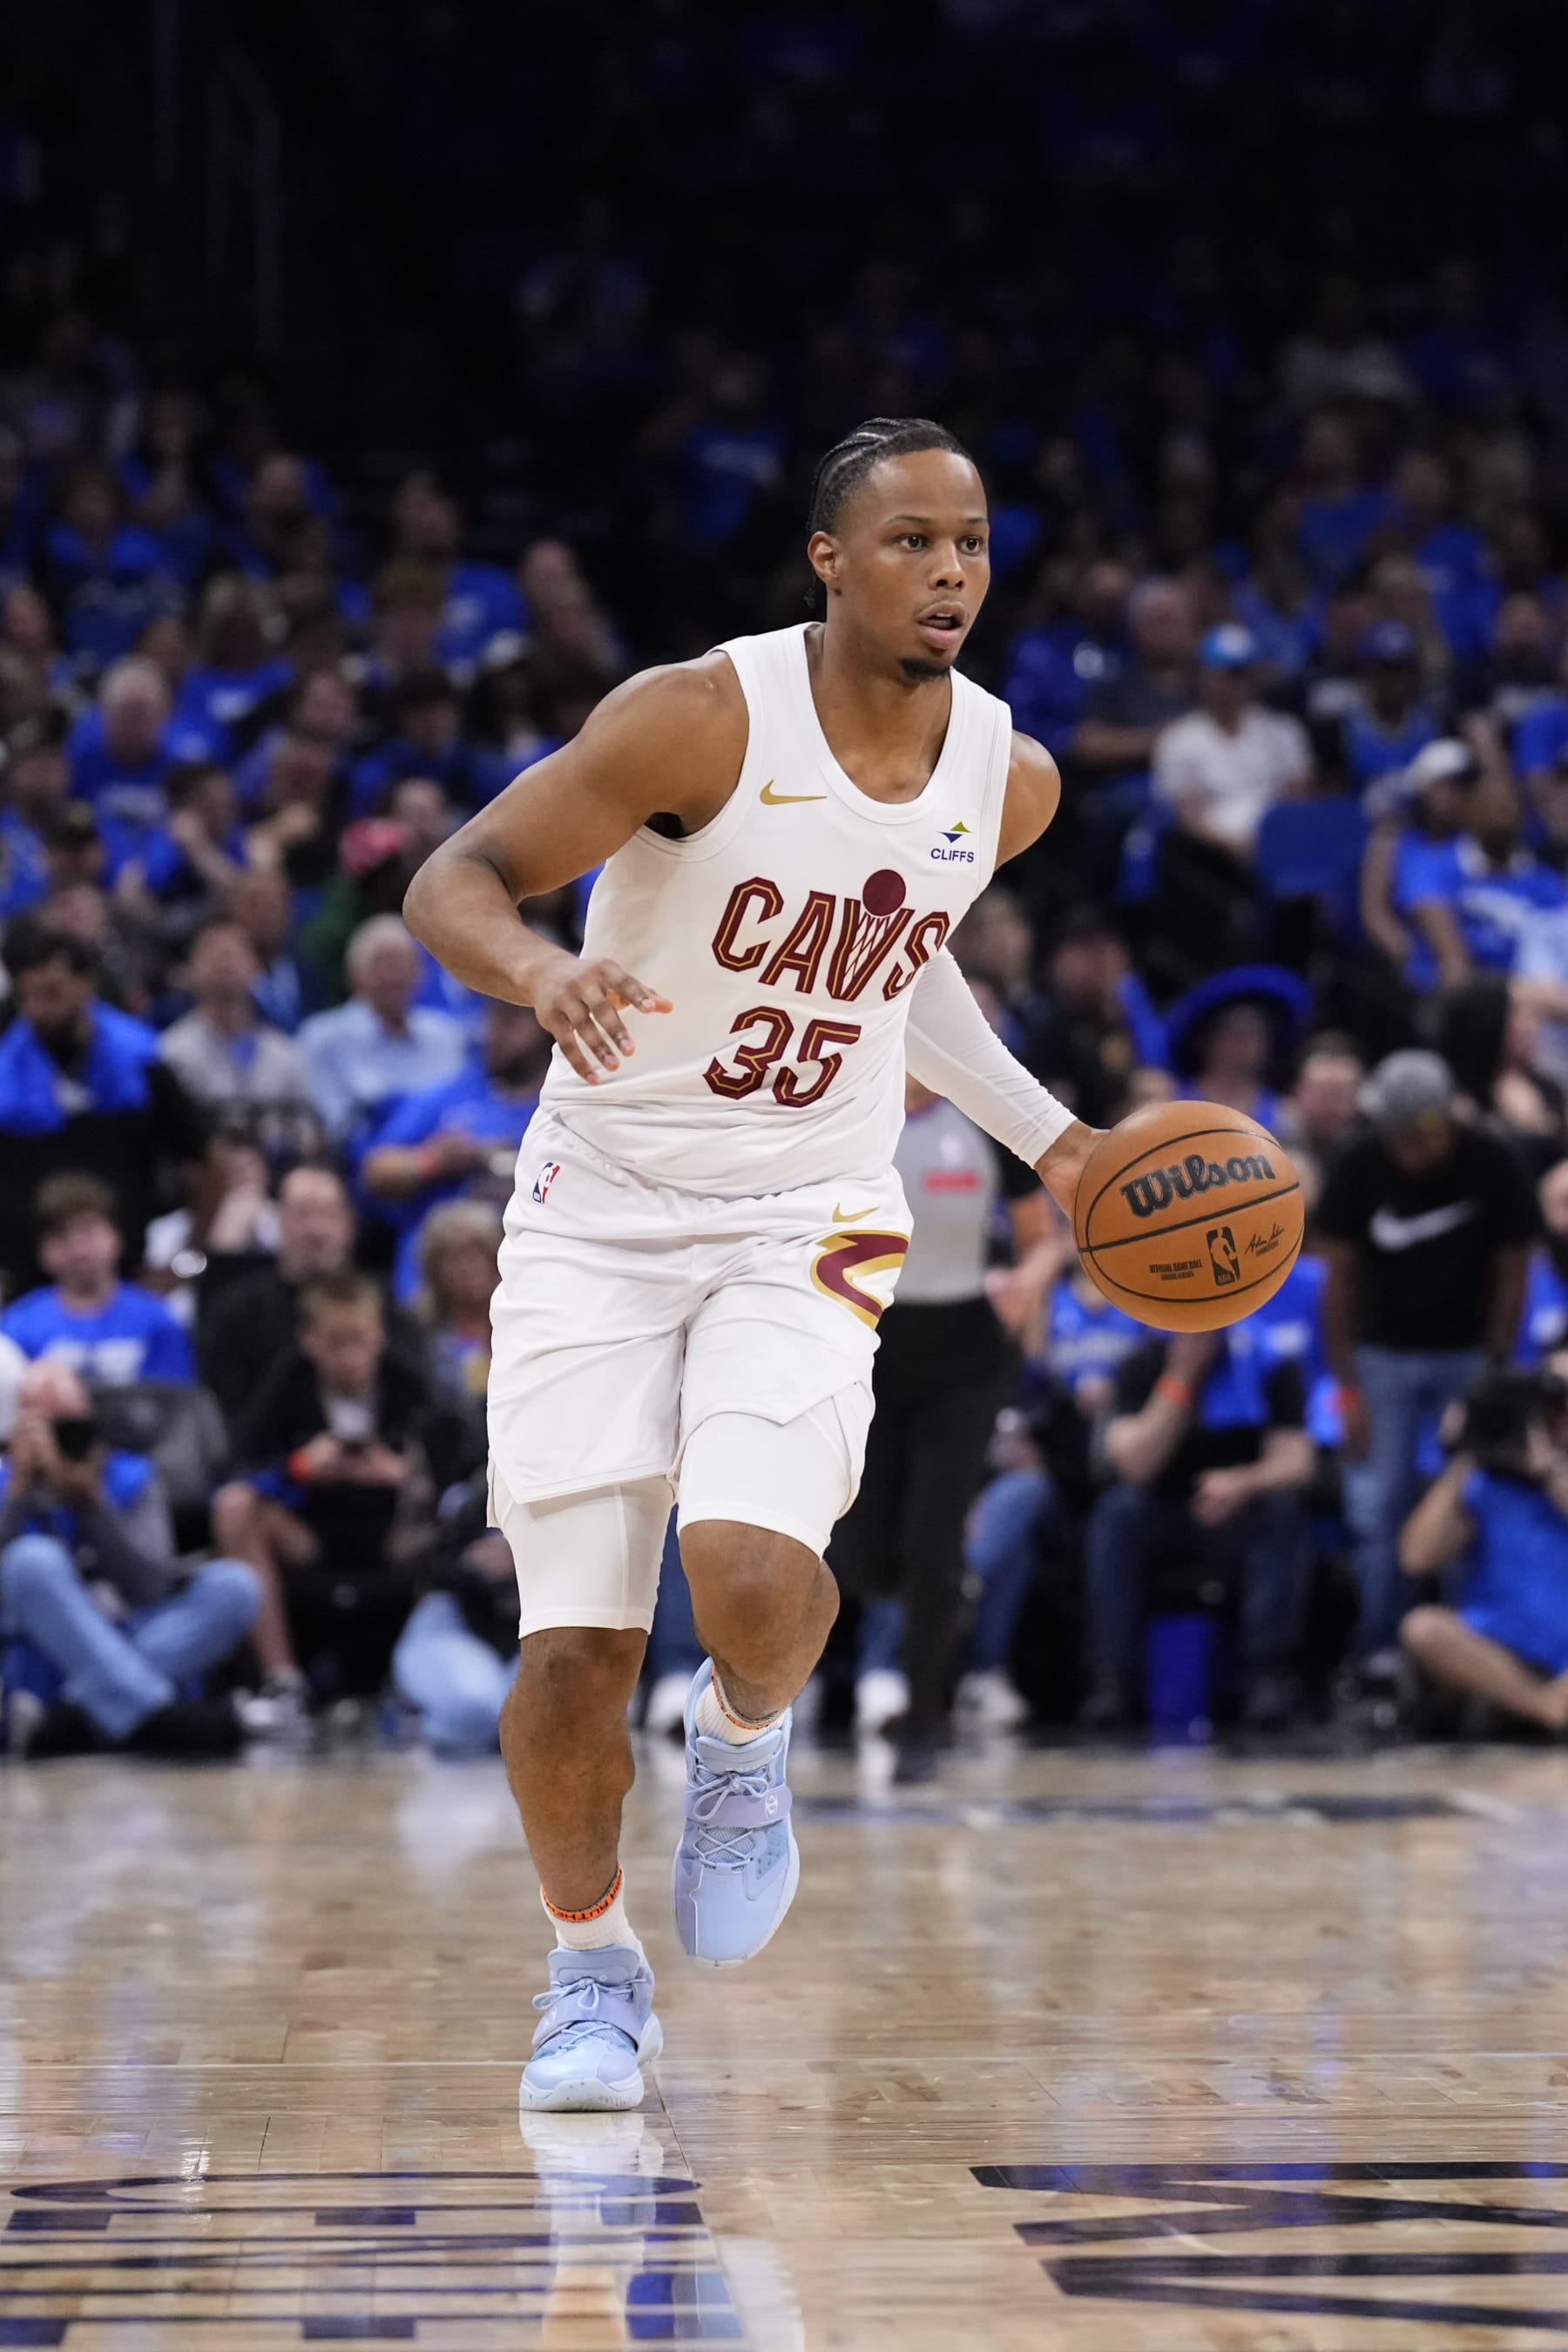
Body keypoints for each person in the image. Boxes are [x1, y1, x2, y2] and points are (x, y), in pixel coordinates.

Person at [402, 416, 1096, 2112]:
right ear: (831, 562)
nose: (951, 572)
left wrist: (1059, 1144)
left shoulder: (1006, 777)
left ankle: (745, 1739)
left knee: (752, 1571)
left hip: (808, 1210)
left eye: (975, 542)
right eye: (915, 542)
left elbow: (901, 971)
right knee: (573, 1649)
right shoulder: (696, 716)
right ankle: (590, 1972)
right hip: (600, 1212)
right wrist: (537, 976)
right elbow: (454, 879)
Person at [829, 1066, 1057, 1780]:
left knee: (933, 1545)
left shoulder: (987, 1120)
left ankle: (925, 1717)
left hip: (965, 1352)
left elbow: (1042, 1236)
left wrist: (1029, 1284)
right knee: (860, 1557)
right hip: (866, 1343)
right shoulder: (847, 1109)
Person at [1318, 1050, 1537, 1672]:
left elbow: (1513, 1271)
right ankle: (1380, 1650)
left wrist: (1494, 1371)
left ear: (1444, 1124)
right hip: (1382, 1355)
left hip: (1466, 1354)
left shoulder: (1492, 1161)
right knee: (1383, 1502)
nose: (1407, 1151)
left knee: (1472, 1496)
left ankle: (1477, 1647)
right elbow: (1339, 1284)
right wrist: (1348, 1390)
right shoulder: (1360, 1166)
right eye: (1397, 1137)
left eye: (1417, 1137)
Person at [213, 1270, 474, 1707]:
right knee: (234, 1507)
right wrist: (298, 1466)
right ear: (308, 1340)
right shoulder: (287, 1382)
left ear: (380, 1337)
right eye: (336, 1344)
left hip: (395, 1535)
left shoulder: (410, 1386)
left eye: (361, 1341)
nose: (351, 1358)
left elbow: (462, 1471)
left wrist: (404, 1475)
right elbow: (234, 1465)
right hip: (311, 1532)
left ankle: (421, 1678)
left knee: (449, 1516)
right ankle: (282, 1679)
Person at [0, 1358, 259, 1758]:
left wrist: (93, 1506)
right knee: (31, 1560)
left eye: (68, 1427)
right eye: (42, 1427)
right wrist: (17, 1499)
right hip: (44, 1644)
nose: (56, 1442)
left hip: (135, 1628)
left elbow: (152, 1583)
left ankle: (71, 1720)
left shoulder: (131, 1476)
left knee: (236, 1586)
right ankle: (162, 1720)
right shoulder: (4, 1483)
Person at [1080, 1322, 1315, 1732]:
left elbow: (1298, 1463)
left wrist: (1243, 1482)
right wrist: (1181, 1377)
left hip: (1239, 1515)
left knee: (1283, 1515)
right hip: (1162, 1512)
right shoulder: (1142, 1365)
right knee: (1116, 1515)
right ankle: (1113, 1681)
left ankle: (1266, 1679)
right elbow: (1135, 1465)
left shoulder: (1269, 1362)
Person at [0, 923, 208, 1294]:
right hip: (25, 1288)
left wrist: (187, 1260)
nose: (39, 1010)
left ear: (86, 984)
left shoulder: (142, 1063)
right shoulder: (5, 1069)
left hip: (130, 1282)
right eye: (27, 997)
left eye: (52, 993)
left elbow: (203, 1165)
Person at [1400, 1369, 1568, 1732]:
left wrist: (1549, 1469)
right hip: (1502, 1646)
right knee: (1423, 1627)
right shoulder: (1481, 1483)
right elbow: (1417, 1558)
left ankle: (1521, 1711)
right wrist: (1463, 1456)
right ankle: (1544, 1708)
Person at [357, 999, 551, 1293]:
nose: (492, 1034)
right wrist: (431, 1161)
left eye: (509, 1023)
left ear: (547, 1028)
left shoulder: (564, 1105)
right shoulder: (454, 1093)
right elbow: (376, 1170)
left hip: (533, 1276)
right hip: (436, 1292)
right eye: (490, 1020)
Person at [197, 1163, 360, 1426]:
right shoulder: (236, 1315)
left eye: (329, 1213)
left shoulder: (383, 1311)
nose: (316, 1231)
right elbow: (224, 1419)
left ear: (349, 1225)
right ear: (279, 1221)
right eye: (303, 1214)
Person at [3, 1173, 194, 1385]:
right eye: (61, 1236)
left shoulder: (156, 1319)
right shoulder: (18, 1326)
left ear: (116, 1237)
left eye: (88, 1231)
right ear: (43, 1250)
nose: (78, 1250)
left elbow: (177, 1400)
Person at [156, 917, 319, 1159]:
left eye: (234, 952)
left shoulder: (285, 1053)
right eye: (211, 952)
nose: (224, 960)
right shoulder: (171, 1053)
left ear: (256, 968)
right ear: (191, 971)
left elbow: (309, 1133)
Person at [296, 914, 467, 1141]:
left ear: (420, 974)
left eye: (401, 964)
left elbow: (463, 1108)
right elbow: (331, 1126)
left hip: (448, 1162)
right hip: (357, 1165)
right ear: (354, 975)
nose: (392, 976)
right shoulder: (323, 1038)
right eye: (381, 965)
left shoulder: (446, 1035)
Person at [1151, 624, 1313, 860]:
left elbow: (1298, 797)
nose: (1235, 683)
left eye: (1242, 672)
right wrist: (1232, 846)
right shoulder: (1178, 739)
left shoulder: (1283, 731)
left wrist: (1273, 841)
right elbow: (1186, 817)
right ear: (1204, 675)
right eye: (1225, 673)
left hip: (1280, 847)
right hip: (1212, 857)